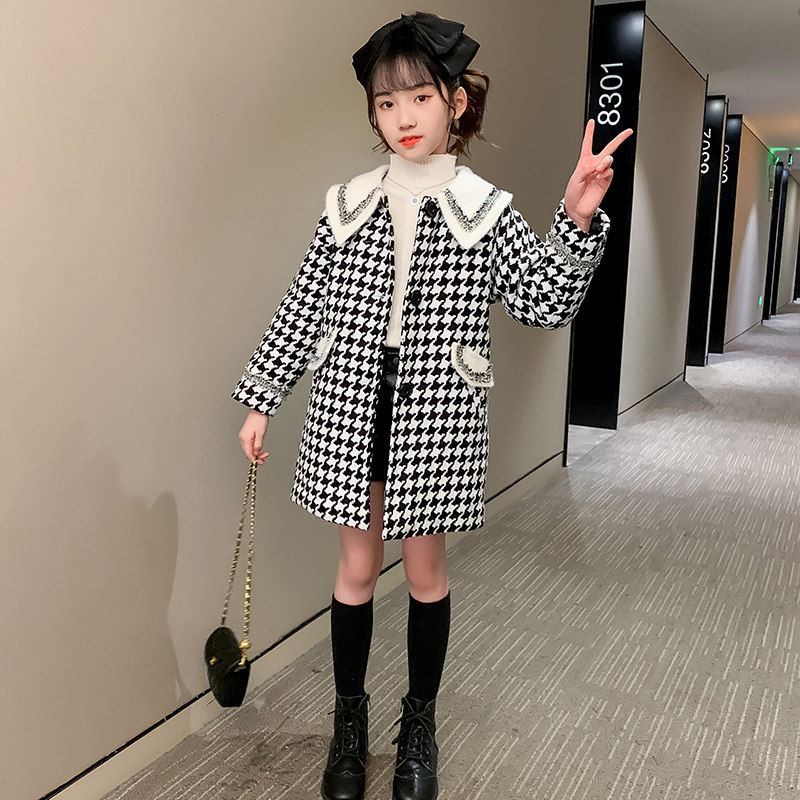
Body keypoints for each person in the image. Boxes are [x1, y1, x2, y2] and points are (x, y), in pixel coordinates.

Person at [233, 12, 632, 800]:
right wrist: (261, 398)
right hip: (350, 404)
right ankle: (349, 723)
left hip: (439, 415)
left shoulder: (486, 208)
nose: (403, 117)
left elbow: (545, 302)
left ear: (456, 101)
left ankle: (419, 724)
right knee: (355, 569)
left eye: (419, 96)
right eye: (386, 103)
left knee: (424, 573)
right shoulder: (347, 203)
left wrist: (578, 217)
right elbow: (304, 305)